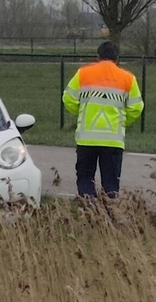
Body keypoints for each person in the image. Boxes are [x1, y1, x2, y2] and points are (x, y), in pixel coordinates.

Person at [62, 41, 144, 198]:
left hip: (87, 139)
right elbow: (136, 107)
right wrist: (122, 122)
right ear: (117, 58)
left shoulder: (83, 74)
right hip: (113, 141)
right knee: (111, 185)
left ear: (97, 56)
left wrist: (81, 113)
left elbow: (68, 98)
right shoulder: (128, 78)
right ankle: (110, 217)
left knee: (85, 179)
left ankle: (89, 212)